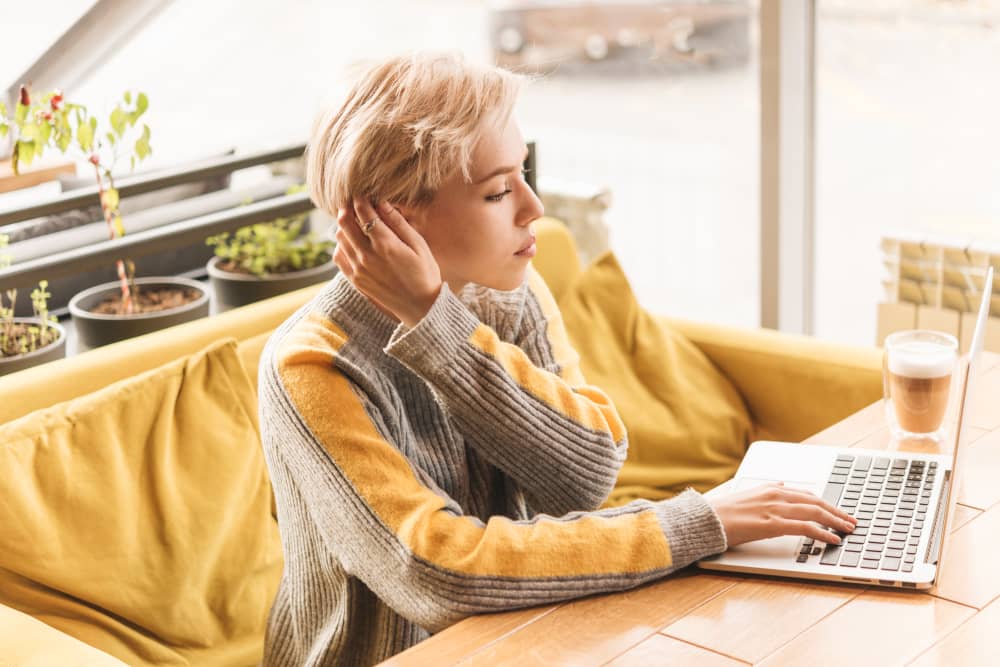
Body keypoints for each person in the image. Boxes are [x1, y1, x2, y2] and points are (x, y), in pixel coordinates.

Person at [257, 52, 856, 666]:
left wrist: (438, 323)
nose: (533, 207)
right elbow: (435, 571)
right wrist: (698, 523)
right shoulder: (309, 368)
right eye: (497, 191)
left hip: (518, 643)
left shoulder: (507, 292)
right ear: (390, 219)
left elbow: (585, 477)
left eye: (523, 173)